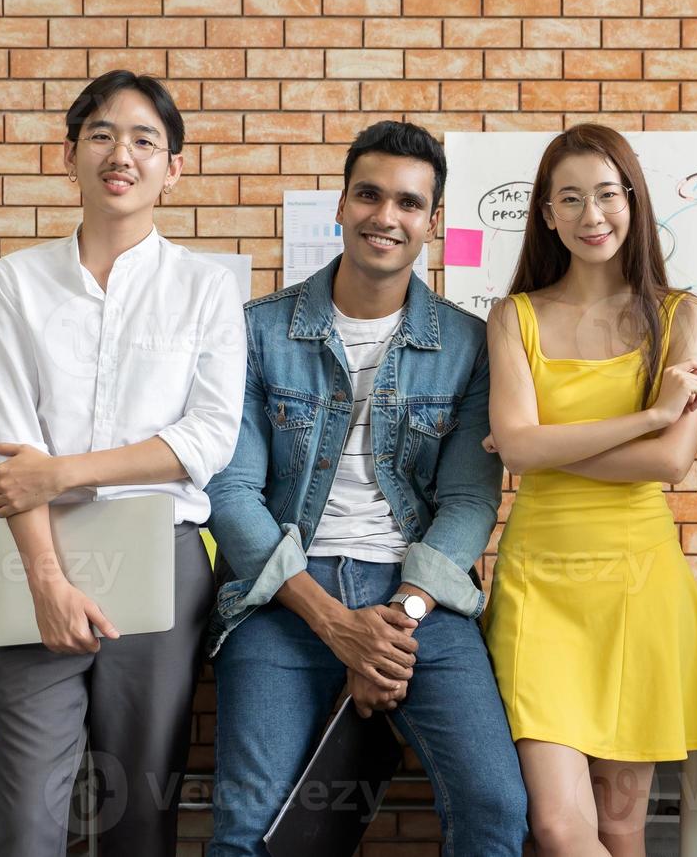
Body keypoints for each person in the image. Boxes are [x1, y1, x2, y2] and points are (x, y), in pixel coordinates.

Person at [205, 120, 528, 856]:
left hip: (420, 597)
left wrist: (395, 623)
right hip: (281, 593)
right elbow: (231, 495)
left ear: (431, 223)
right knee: (246, 831)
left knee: (496, 807)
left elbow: (471, 501)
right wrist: (333, 623)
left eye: (409, 204)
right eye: (370, 196)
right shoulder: (257, 331)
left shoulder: (468, 344)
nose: (387, 217)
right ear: (343, 206)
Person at [0, 70, 244, 854]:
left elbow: (206, 441)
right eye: (100, 135)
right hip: (38, 553)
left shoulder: (206, 288)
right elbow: (5, 445)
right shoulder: (18, 281)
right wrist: (50, 584)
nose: (120, 153)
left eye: (143, 140)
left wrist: (63, 471)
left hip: (162, 558)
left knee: (139, 819)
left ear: (174, 167)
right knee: (26, 827)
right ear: (70, 156)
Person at [483, 123, 697, 856]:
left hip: (637, 583)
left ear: (633, 200)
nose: (592, 216)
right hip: (538, 584)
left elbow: (667, 464)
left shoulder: (684, 314)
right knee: (560, 827)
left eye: (607, 195)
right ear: (546, 214)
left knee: (623, 826)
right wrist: (653, 413)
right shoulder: (515, 317)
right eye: (571, 199)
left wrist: (539, 448)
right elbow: (521, 449)